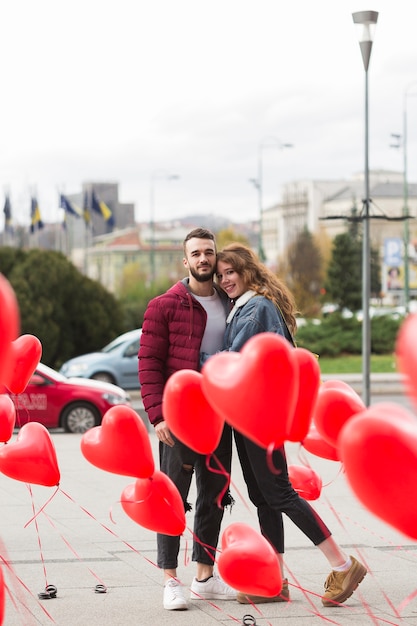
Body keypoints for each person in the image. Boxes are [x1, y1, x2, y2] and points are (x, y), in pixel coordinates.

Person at [215, 243, 367, 608]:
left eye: (230, 272)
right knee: (263, 498)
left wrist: (199, 362)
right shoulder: (245, 307)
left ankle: (343, 564)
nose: (225, 280)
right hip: (248, 417)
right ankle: (274, 581)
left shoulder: (256, 309)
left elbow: (236, 362)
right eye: (220, 276)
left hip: (261, 418)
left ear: (247, 271)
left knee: (280, 493)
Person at [138, 228, 235, 611]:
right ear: (186, 260)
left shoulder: (231, 302)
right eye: (196, 253)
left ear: (215, 256)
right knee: (171, 499)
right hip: (177, 419)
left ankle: (204, 577)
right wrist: (157, 415)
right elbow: (148, 363)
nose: (203, 259)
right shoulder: (165, 305)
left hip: (218, 416)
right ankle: (170, 580)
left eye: (208, 252)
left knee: (213, 496)